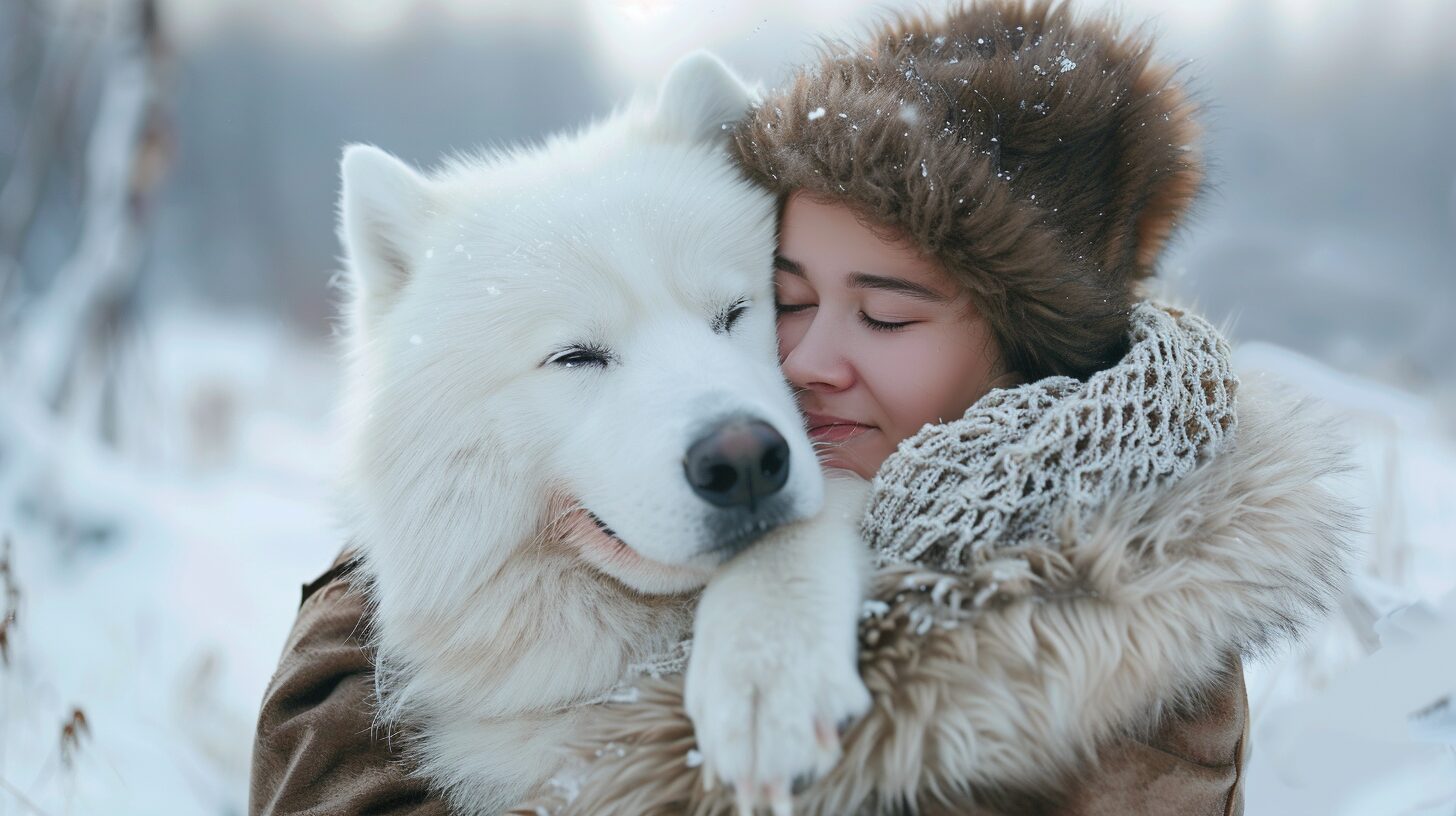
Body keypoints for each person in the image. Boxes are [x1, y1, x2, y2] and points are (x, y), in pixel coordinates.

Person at [251, 2, 1354, 814]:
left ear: (1025, 354)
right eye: (778, 301)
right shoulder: (367, 635)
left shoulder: (1131, 656)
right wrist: (389, 586)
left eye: (885, 316)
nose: (807, 365)